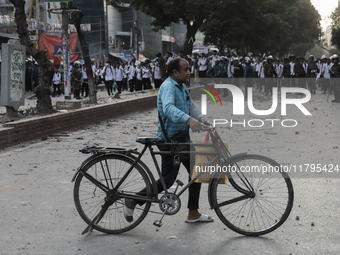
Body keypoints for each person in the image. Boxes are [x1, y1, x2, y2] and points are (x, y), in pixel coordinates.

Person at [123, 57, 214, 223]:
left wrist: (201, 119)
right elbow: (168, 108)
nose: (188, 72)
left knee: (198, 173)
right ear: (175, 72)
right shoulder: (168, 87)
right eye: (185, 70)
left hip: (183, 140)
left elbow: (190, 106)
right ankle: (133, 200)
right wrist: (188, 120)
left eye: (189, 69)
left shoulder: (182, 87)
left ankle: (193, 212)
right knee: (167, 180)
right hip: (170, 141)